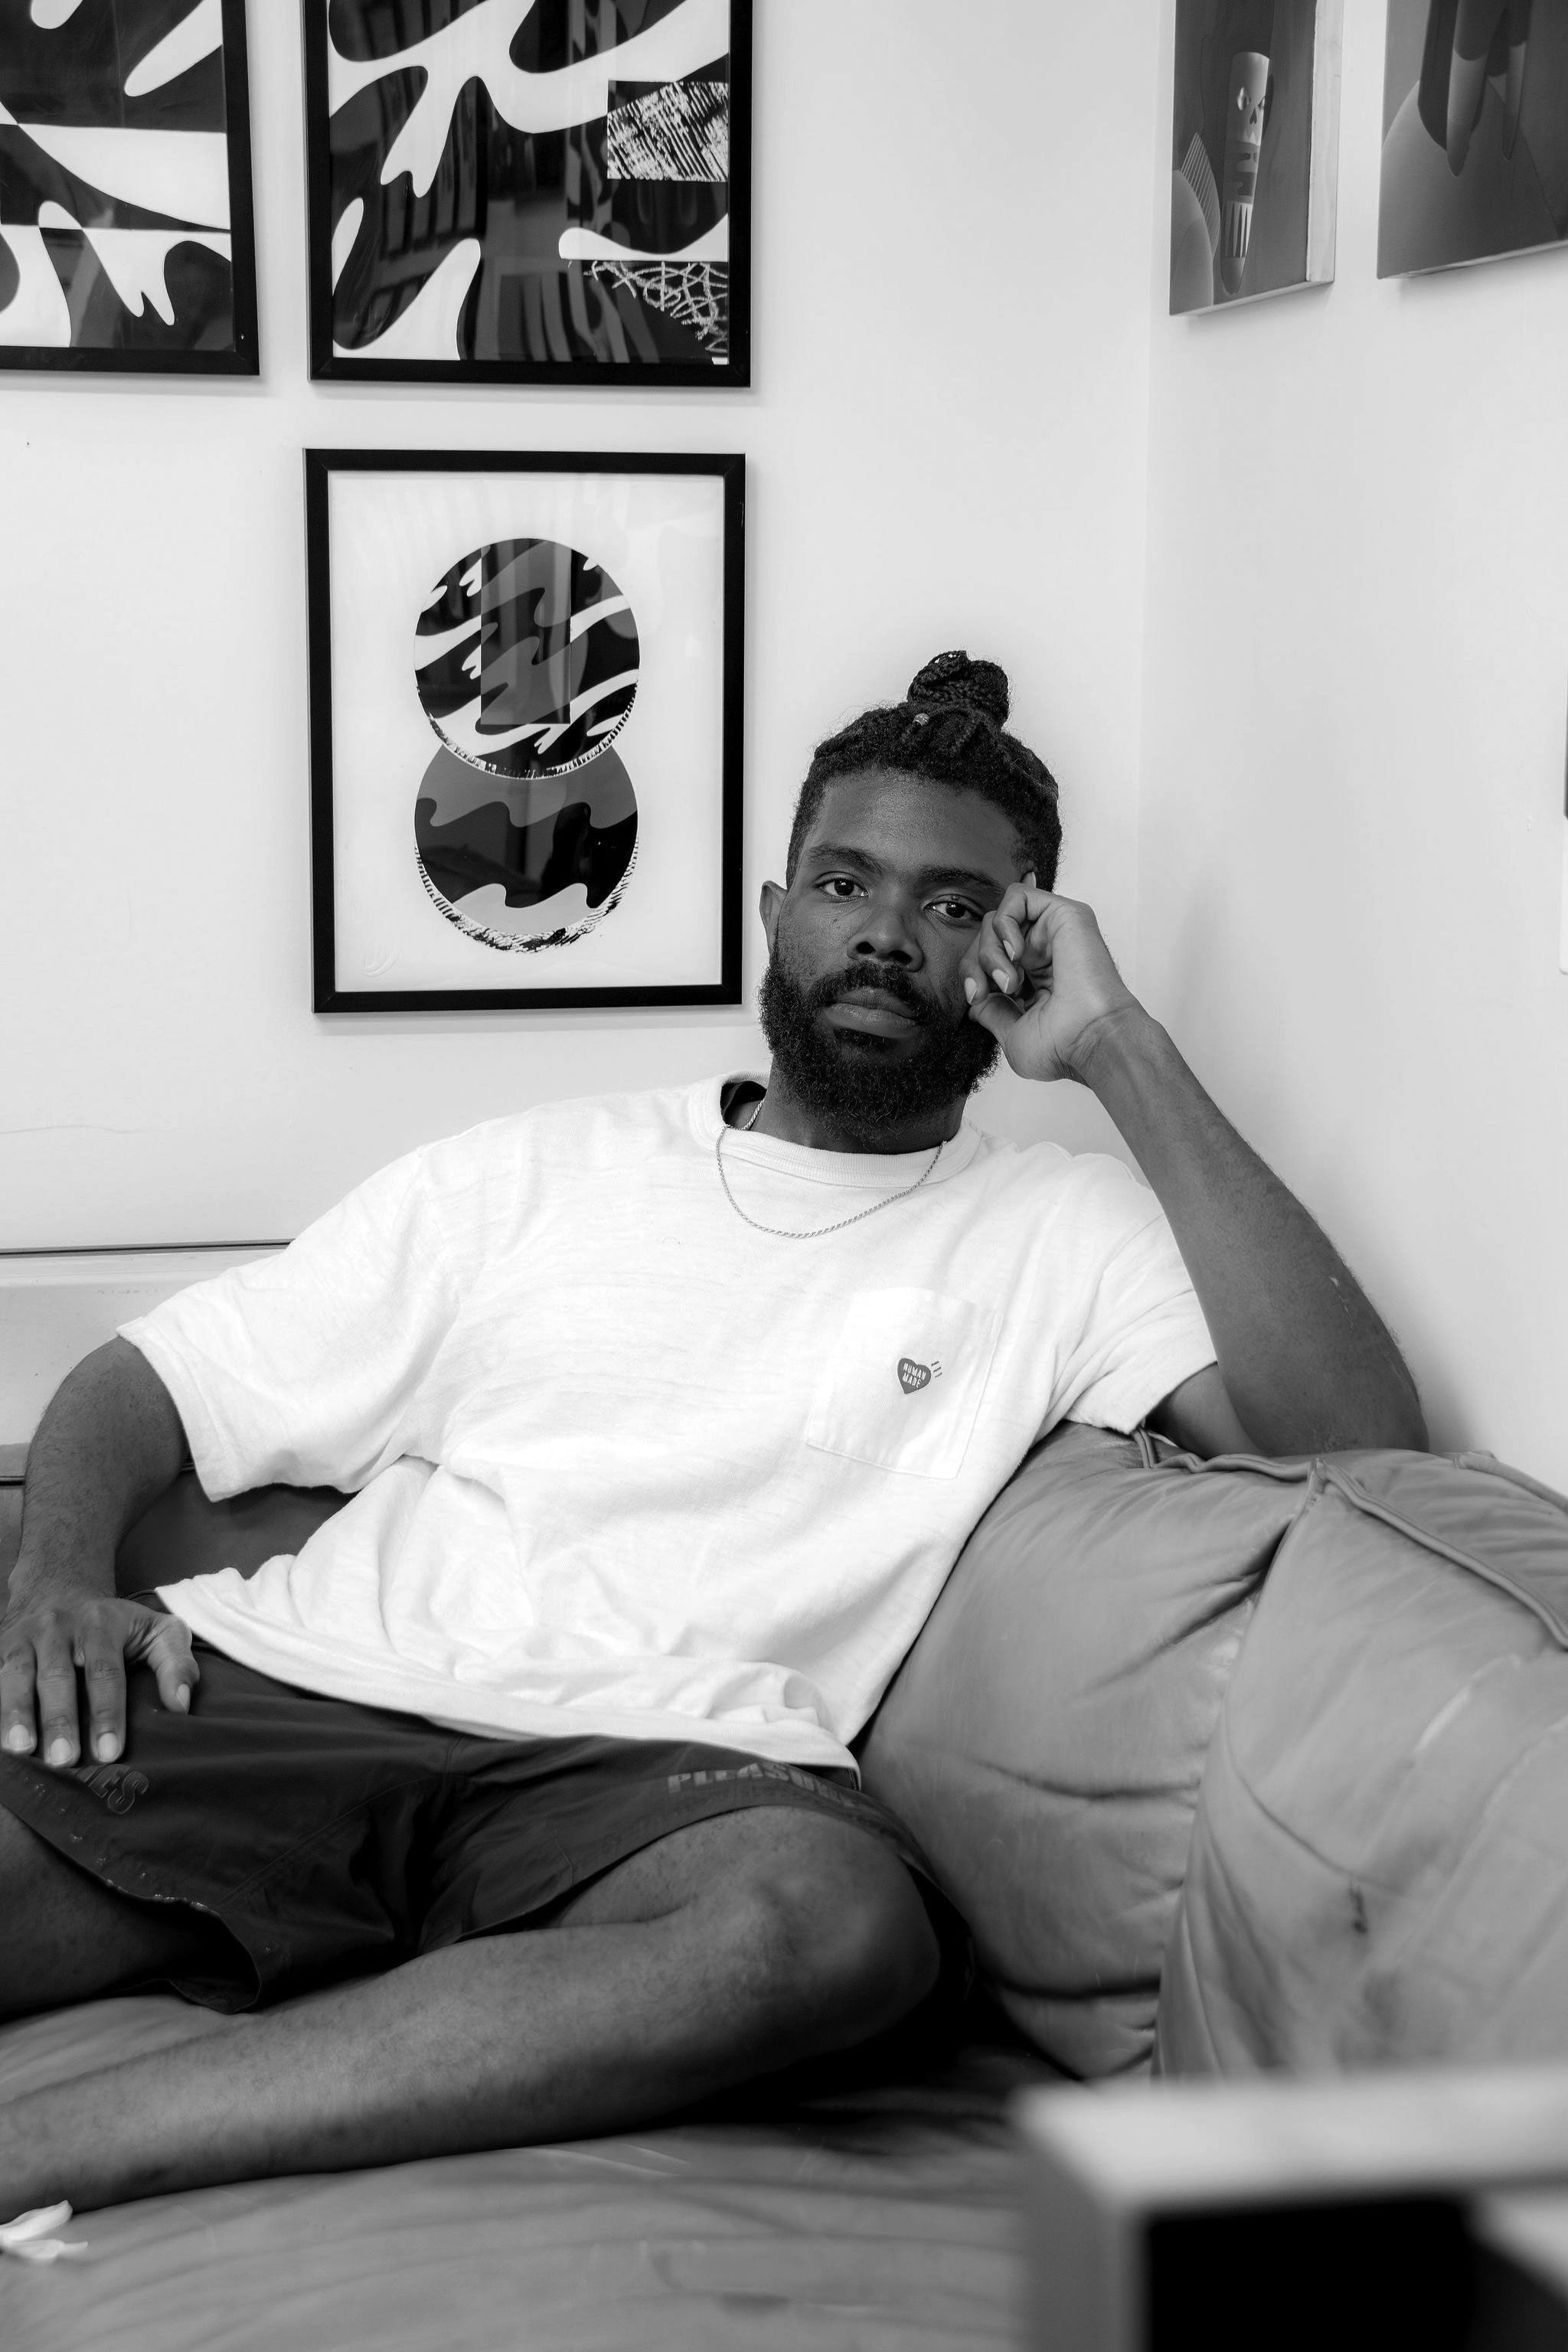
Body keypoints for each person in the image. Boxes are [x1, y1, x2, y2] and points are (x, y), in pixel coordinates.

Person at [0, 652, 1425, 2218]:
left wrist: (1117, 1047)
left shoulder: (1061, 1231)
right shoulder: (534, 1174)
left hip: (656, 1782)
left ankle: (43, 2154)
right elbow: (146, 1378)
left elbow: (1358, 1442)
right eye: (845, 884)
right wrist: (54, 1580)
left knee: (832, 1933)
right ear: (772, 916)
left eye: (955, 905)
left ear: (1015, 951)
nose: (885, 934)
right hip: (311, 1694)